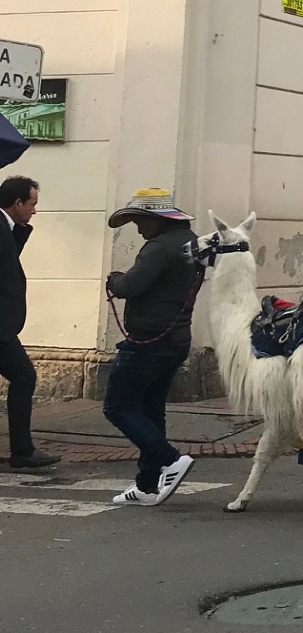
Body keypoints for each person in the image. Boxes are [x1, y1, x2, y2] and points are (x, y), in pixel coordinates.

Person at [103, 192, 202, 507]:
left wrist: (115, 280)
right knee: (150, 409)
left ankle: (170, 459)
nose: (137, 228)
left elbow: (131, 285)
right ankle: (146, 485)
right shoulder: (191, 243)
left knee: (117, 407)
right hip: (177, 338)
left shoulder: (159, 248)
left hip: (148, 340)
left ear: (155, 219)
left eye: (138, 221)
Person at [0, 174, 60, 471]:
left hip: (4, 325)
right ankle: (22, 450)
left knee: (23, 376)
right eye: (32, 203)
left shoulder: (8, 227)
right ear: (18, 202)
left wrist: (20, 229)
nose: (35, 210)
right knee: (24, 376)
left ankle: (22, 450)